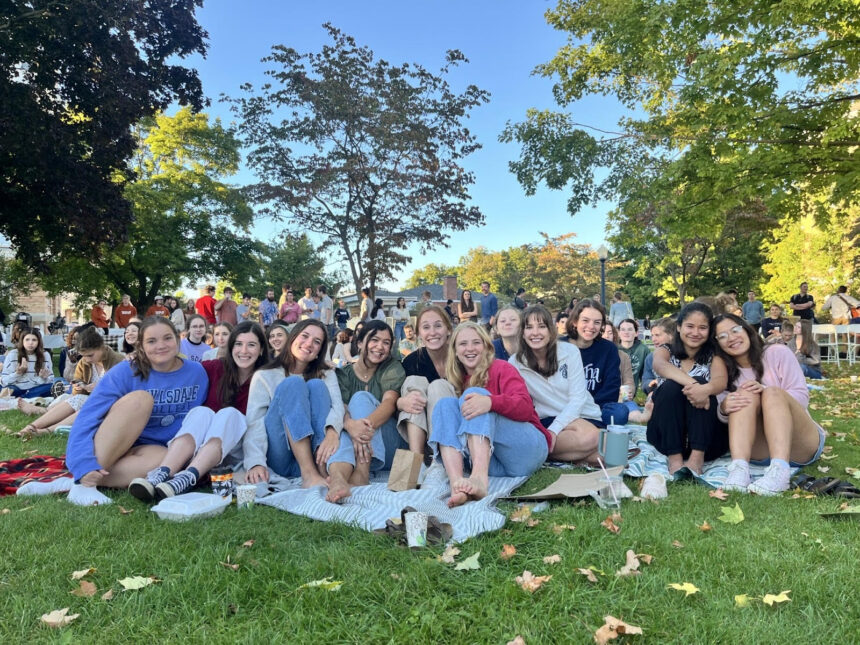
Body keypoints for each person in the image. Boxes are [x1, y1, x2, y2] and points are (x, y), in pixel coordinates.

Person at [64, 317, 207, 506]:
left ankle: (73, 481)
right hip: (113, 442)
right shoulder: (126, 371)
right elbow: (88, 416)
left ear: (178, 340)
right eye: (151, 341)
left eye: (167, 338)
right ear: (140, 346)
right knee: (141, 399)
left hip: (152, 451)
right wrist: (82, 461)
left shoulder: (196, 373)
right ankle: (83, 484)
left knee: (168, 462)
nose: (161, 346)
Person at [127, 321, 267, 500]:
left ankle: (190, 475)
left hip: (237, 445)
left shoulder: (266, 377)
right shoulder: (215, 368)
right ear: (231, 347)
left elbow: (260, 425)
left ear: (261, 349)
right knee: (202, 412)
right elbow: (178, 368)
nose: (244, 351)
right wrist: (142, 358)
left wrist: (257, 462)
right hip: (199, 445)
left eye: (252, 345)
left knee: (229, 413)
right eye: (238, 344)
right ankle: (163, 472)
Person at [430, 322, 550, 507]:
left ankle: (479, 479)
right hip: (496, 462)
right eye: (463, 344)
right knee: (445, 405)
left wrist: (491, 402)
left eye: (476, 343)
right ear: (454, 350)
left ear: (486, 346)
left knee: (477, 397)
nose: (470, 349)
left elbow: (526, 407)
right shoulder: (457, 379)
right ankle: (457, 483)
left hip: (526, 450)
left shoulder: (501, 368)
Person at [712, 314, 825, 495]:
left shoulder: (777, 352)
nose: (731, 338)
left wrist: (765, 391)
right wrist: (723, 408)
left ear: (747, 330)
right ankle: (739, 469)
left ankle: (780, 470)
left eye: (735, 330)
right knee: (744, 393)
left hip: (799, 443)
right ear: (717, 344)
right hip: (756, 451)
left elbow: (802, 397)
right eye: (723, 336)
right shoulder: (721, 371)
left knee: (770, 392)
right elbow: (722, 415)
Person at [237, 320, 342, 489]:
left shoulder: (327, 373)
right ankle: (309, 474)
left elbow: (337, 407)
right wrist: (255, 462)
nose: (309, 344)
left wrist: (332, 432)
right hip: (281, 456)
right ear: (292, 338)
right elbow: (254, 422)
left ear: (319, 352)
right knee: (293, 384)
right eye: (305, 336)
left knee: (316, 385)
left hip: (317, 452)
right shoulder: (265, 374)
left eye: (317, 342)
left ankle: (323, 470)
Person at [325, 320, 406, 502]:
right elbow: (341, 409)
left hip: (389, 442)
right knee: (343, 430)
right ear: (360, 343)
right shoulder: (344, 374)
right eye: (374, 340)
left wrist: (361, 430)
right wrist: (350, 425)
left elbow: (389, 403)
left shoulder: (391, 368)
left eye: (386, 343)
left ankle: (361, 473)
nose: (380, 347)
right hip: (355, 441)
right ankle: (339, 479)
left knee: (361, 398)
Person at [511, 305, 601, 463]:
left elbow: (577, 399)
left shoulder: (570, 352)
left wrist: (552, 431)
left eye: (541, 326)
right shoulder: (516, 363)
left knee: (597, 441)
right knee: (598, 446)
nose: (535, 333)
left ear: (551, 330)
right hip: (547, 418)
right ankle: (572, 455)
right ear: (522, 333)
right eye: (529, 327)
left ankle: (538, 453)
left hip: (581, 414)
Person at [646, 302, 728, 475]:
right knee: (672, 385)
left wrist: (705, 390)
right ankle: (674, 457)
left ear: (709, 331)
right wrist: (695, 386)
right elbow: (660, 365)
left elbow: (720, 381)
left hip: (706, 439)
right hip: (666, 435)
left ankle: (696, 458)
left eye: (702, 328)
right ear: (678, 326)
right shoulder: (665, 350)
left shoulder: (714, 356)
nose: (695, 333)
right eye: (690, 326)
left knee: (706, 387)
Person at [16, 327, 126, 436]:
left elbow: (125, 389)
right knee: (77, 398)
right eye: (83, 356)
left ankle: (48, 430)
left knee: (85, 402)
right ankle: (32, 426)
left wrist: (101, 387)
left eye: (90, 355)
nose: (86, 359)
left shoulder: (119, 361)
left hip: (110, 403)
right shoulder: (84, 362)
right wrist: (79, 387)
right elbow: (76, 383)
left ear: (101, 348)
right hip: (89, 398)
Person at [396, 306, 455, 457]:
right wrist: (401, 402)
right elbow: (396, 398)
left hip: (454, 433)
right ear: (419, 334)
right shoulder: (412, 362)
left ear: (448, 329)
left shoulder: (460, 356)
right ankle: (417, 460)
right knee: (413, 383)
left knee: (438, 387)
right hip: (420, 434)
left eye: (438, 325)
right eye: (426, 327)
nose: (432, 332)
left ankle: (438, 458)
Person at [566, 299, 629, 426]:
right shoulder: (559, 346)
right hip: (563, 406)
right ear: (574, 321)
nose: (591, 326)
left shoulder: (609, 349)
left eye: (597, 322)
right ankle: (587, 427)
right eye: (585, 320)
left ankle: (579, 425)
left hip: (596, 408)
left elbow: (612, 387)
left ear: (602, 326)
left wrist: (588, 409)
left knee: (619, 412)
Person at [0, 328, 54, 398]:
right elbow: (3, 381)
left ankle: (23, 397)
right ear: (22, 341)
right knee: (9, 389)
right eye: (27, 339)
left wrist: (43, 378)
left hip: (36, 387)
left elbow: (51, 379)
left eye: (34, 340)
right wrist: (18, 373)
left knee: (52, 387)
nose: (30, 343)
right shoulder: (13, 354)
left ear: (39, 342)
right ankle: (30, 396)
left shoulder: (45, 355)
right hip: (16, 388)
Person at [640, 317, 675, 396]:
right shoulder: (650, 358)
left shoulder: (682, 355)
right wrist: (650, 383)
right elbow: (645, 381)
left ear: (671, 335)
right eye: (652, 335)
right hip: (658, 395)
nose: (653, 339)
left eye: (657, 335)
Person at [618, 319, 650, 395]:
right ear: (618, 333)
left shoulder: (643, 350)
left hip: (629, 393)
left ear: (636, 333)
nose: (626, 332)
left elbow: (647, 375)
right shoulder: (613, 349)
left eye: (630, 329)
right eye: (623, 330)